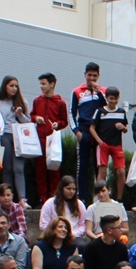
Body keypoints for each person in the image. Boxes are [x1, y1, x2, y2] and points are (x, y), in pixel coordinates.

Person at [67, 63, 106, 202]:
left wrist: (99, 91)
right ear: (85, 75)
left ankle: (100, 197)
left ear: (98, 76)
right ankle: (81, 198)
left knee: (99, 166)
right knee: (82, 167)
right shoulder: (77, 91)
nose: (92, 78)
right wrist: (77, 132)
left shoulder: (103, 91)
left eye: (95, 76)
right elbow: (71, 113)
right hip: (84, 132)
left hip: (99, 133)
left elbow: (108, 107)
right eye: (89, 75)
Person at [31, 73, 68, 204]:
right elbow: (32, 115)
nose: (41, 86)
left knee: (54, 168)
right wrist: (36, 118)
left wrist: (58, 124)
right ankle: (42, 198)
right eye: (40, 84)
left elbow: (64, 121)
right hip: (39, 138)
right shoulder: (37, 100)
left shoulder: (60, 102)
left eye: (43, 83)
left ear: (52, 84)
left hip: (53, 139)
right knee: (39, 170)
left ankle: (54, 197)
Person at [39, 176, 87, 242]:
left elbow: (83, 224)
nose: (71, 192)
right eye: (68, 189)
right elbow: (43, 224)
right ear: (61, 189)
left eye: (74, 189)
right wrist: (56, 233)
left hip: (74, 236)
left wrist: (72, 234)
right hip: (54, 236)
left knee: (81, 245)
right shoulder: (50, 203)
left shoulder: (79, 204)